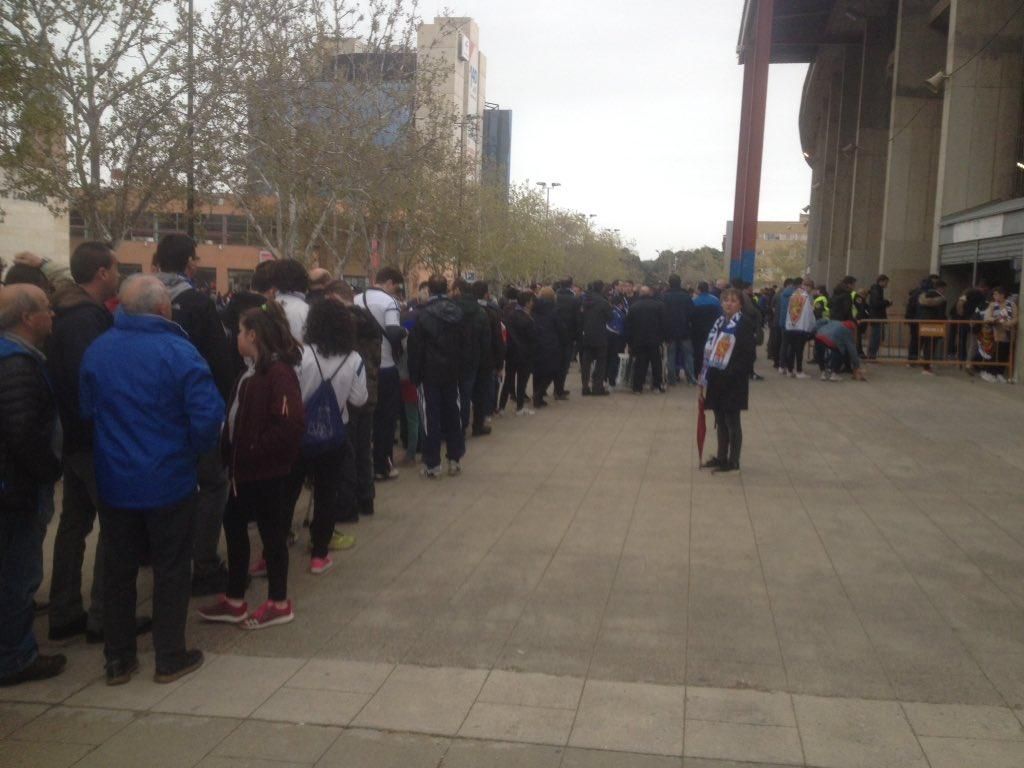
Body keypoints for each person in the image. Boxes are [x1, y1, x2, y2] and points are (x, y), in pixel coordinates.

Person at [80, 275, 224, 684]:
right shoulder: (180, 352)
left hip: (115, 479)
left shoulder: (98, 351)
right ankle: (169, 655)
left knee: (118, 570)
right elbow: (207, 417)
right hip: (169, 479)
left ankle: (119, 657)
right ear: (164, 309)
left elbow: (87, 410)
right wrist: (194, 453)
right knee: (171, 568)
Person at [47, 242, 151, 645]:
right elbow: (95, 383)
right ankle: (104, 615)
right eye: (115, 267)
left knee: (73, 524)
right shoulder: (86, 322)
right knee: (115, 524)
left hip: (73, 439)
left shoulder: (66, 313)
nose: (119, 274)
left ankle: (64, 609)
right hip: (93, 440)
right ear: (103, 273)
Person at [198, 302, 305, 628]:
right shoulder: (251, 371)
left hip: (267, 472)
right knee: (234, 529)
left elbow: (288, 425)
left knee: (272, 537)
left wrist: (252, 450)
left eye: (241, 332)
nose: (236, 338)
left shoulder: (278, 373)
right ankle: (234, 599)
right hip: (243, 472)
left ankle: (278, 601)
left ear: (253, 335)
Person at [152, 234, 234, 597]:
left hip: (146, 413)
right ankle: (202, 562)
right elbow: (219, 362)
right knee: (212, 483)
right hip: (192, 409)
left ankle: (158, 556)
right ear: (189, 263)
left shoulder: (131, 301)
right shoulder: (198, 304)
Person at [0, 284, 66, 687]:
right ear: (27, 318)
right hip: (15, 490)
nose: (53, 314)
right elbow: (22, 431)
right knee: (17, 575)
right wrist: (48, 470)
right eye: (46, 308)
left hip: (14, 484)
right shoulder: (16, 365)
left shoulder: (19, 359)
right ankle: (15, 657)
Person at [294, 299, 367, 567]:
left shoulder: (301, 354)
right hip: (335, 434)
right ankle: (319, 553)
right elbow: (359, 399)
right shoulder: (353, 358)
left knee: (288, 493)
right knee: (326, 494)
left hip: (299, 434)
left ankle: (272, 551)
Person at [408, 276, 465, 477]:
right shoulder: (458, 312)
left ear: (429, 290)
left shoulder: (422, 316)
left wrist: (414, 375)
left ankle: (432, 463)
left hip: (429, 374)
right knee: (453, 414)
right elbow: (464, 345)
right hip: (452, 373)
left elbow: (416, 349)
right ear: (447, 289)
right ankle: (455, 458)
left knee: (430, 419)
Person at [357, 267, 407, 482]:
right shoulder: (389, 302)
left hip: (360, 368)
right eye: (396, 287)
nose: (396, 291)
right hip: (386, 367)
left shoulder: (356, 298)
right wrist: (406, 333)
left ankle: (362, 467)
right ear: (389, 283)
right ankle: (382, 465)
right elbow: (394, 332)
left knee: (363, 420)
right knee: (385, 420)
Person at [699, 288, 755, 473]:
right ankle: (721, 457)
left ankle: (734, 460)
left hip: (733, 380)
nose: (729, 304)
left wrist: (732, 371)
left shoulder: (743, 323)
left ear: (740, 304)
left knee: (732, 421)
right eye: (726, 300)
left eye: (733, 301)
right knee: (720, 420)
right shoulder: (720, 322)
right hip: (717, 378)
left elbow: (748, 354)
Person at [451, 278, 488, 429]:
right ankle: (465, 425)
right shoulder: (480, 312)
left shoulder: (452, 309)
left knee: (454, 395)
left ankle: (454, 426)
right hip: (473, 359)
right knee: (468, 394)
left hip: (453, 358)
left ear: (458, 291)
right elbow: (485, 340)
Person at [471, 280, 506, 435]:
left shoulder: (463, 310)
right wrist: (499, 364)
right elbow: (498, 340)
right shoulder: (492, 312)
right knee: (480, 393)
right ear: (486, 294)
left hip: (466, 359)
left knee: (465, 393)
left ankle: (462, 423)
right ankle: (478, 424)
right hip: (486, 359)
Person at [625, 285, 667, 393]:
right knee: (656, 363)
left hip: (638, 340)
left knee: (640, 364)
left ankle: (637, 387)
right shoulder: (659, 306)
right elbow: (664, 324)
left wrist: (629, 342)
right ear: (650, 293)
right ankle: (657, 385)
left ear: (640, 294)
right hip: (655, 340)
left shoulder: (634, 307)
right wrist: (662, 338)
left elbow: (629, 326)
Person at [503, 290, 538, 415]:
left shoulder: (511, 314)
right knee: (522, 381)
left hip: (511, 352)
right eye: (532, 301)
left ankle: (501, 407)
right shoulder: (528, 319)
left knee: (508, 380)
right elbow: (533, 337)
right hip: (525, 353)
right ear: (528, 303)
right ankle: (519, 407)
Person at [531, 286, 565, 407]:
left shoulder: (534, 308)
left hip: (536, 341)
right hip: (551, 342)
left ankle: (536, 394)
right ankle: (539, 394)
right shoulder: (554, 309)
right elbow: (560, 327)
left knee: (537, 370)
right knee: (552, 370)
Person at [976, 287, 1016, 383]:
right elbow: (988, 317)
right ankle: (988, 372)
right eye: (993, 294)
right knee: (995, 353)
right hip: (995, 333)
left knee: (1004, 353)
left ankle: (999, 373)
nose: (994, 296)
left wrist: (1009, 323)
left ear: (1002, 295)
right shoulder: (992, 305)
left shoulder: (1011, 304)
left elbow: (1015, 317)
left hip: (1007, 333)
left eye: (996, 294)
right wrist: (994, 319)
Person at [579, 281, 612, 396]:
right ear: (602, 289)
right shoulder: (603, 302)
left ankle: (584, 386)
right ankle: (597, 387)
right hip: (600, 335)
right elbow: (610, 317)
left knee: (586, 362)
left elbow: (581, 316)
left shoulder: (585, 300)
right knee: (601, 362)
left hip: (587, 334)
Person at [662, 274, 695, 385]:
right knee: (688, 356)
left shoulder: (664, 296)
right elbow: (692, 313)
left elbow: (662, 314)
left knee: (671, 356)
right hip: (685, 330)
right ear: (680, 282)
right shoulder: (686, 296)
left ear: (669, 283)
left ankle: (671, 380)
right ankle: (690, 379)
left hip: (669, 331)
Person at [783, 278, 816, 378]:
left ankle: (789, 370)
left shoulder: (794, 295)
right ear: (809, 287)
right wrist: (811, 326)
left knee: (792, 349)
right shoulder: (807, 297)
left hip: (790, 326)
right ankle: (799, 371)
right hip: (801, 327)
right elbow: (809, 314)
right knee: (799, 350)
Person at [553, 279, 579, 399]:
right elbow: (576, 318)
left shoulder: (555, 297)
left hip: (555, 334)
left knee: (556, 362)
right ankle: (559, 390)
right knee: (564, 364)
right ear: (571, 286)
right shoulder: (573, 299)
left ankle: (555, 389)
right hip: (568, 335)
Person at [916, 279, 948, 375]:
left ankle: (926, 364)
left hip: (925, 322)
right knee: (931, 345)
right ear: (940, 288)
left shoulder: (924, 295)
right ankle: (927, 367)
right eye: (944, 288)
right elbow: (941, 313)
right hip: (935, 324)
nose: (944, 291)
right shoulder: (941, 298)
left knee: (927, 344)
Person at [690, 282, 723, 376]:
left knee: (698, 352)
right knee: (712, 350)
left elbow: (691, 317)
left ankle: (698, 372)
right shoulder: (715, 300)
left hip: (697, 331)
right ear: (708, 289)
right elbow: (720, 315)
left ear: (699, 290)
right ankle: (711, 371)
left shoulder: (694, 301)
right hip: (712, 330)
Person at [866, 274, 891, 359]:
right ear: (881, 281)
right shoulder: (876, 290)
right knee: (876, 336)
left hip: (877, 316)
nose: (887, 284)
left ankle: (872, 354)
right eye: (886, 282)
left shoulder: (877, 290)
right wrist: (887, 302)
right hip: (877, 317)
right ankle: (871, 354)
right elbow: (876, 303)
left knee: (877, 336)